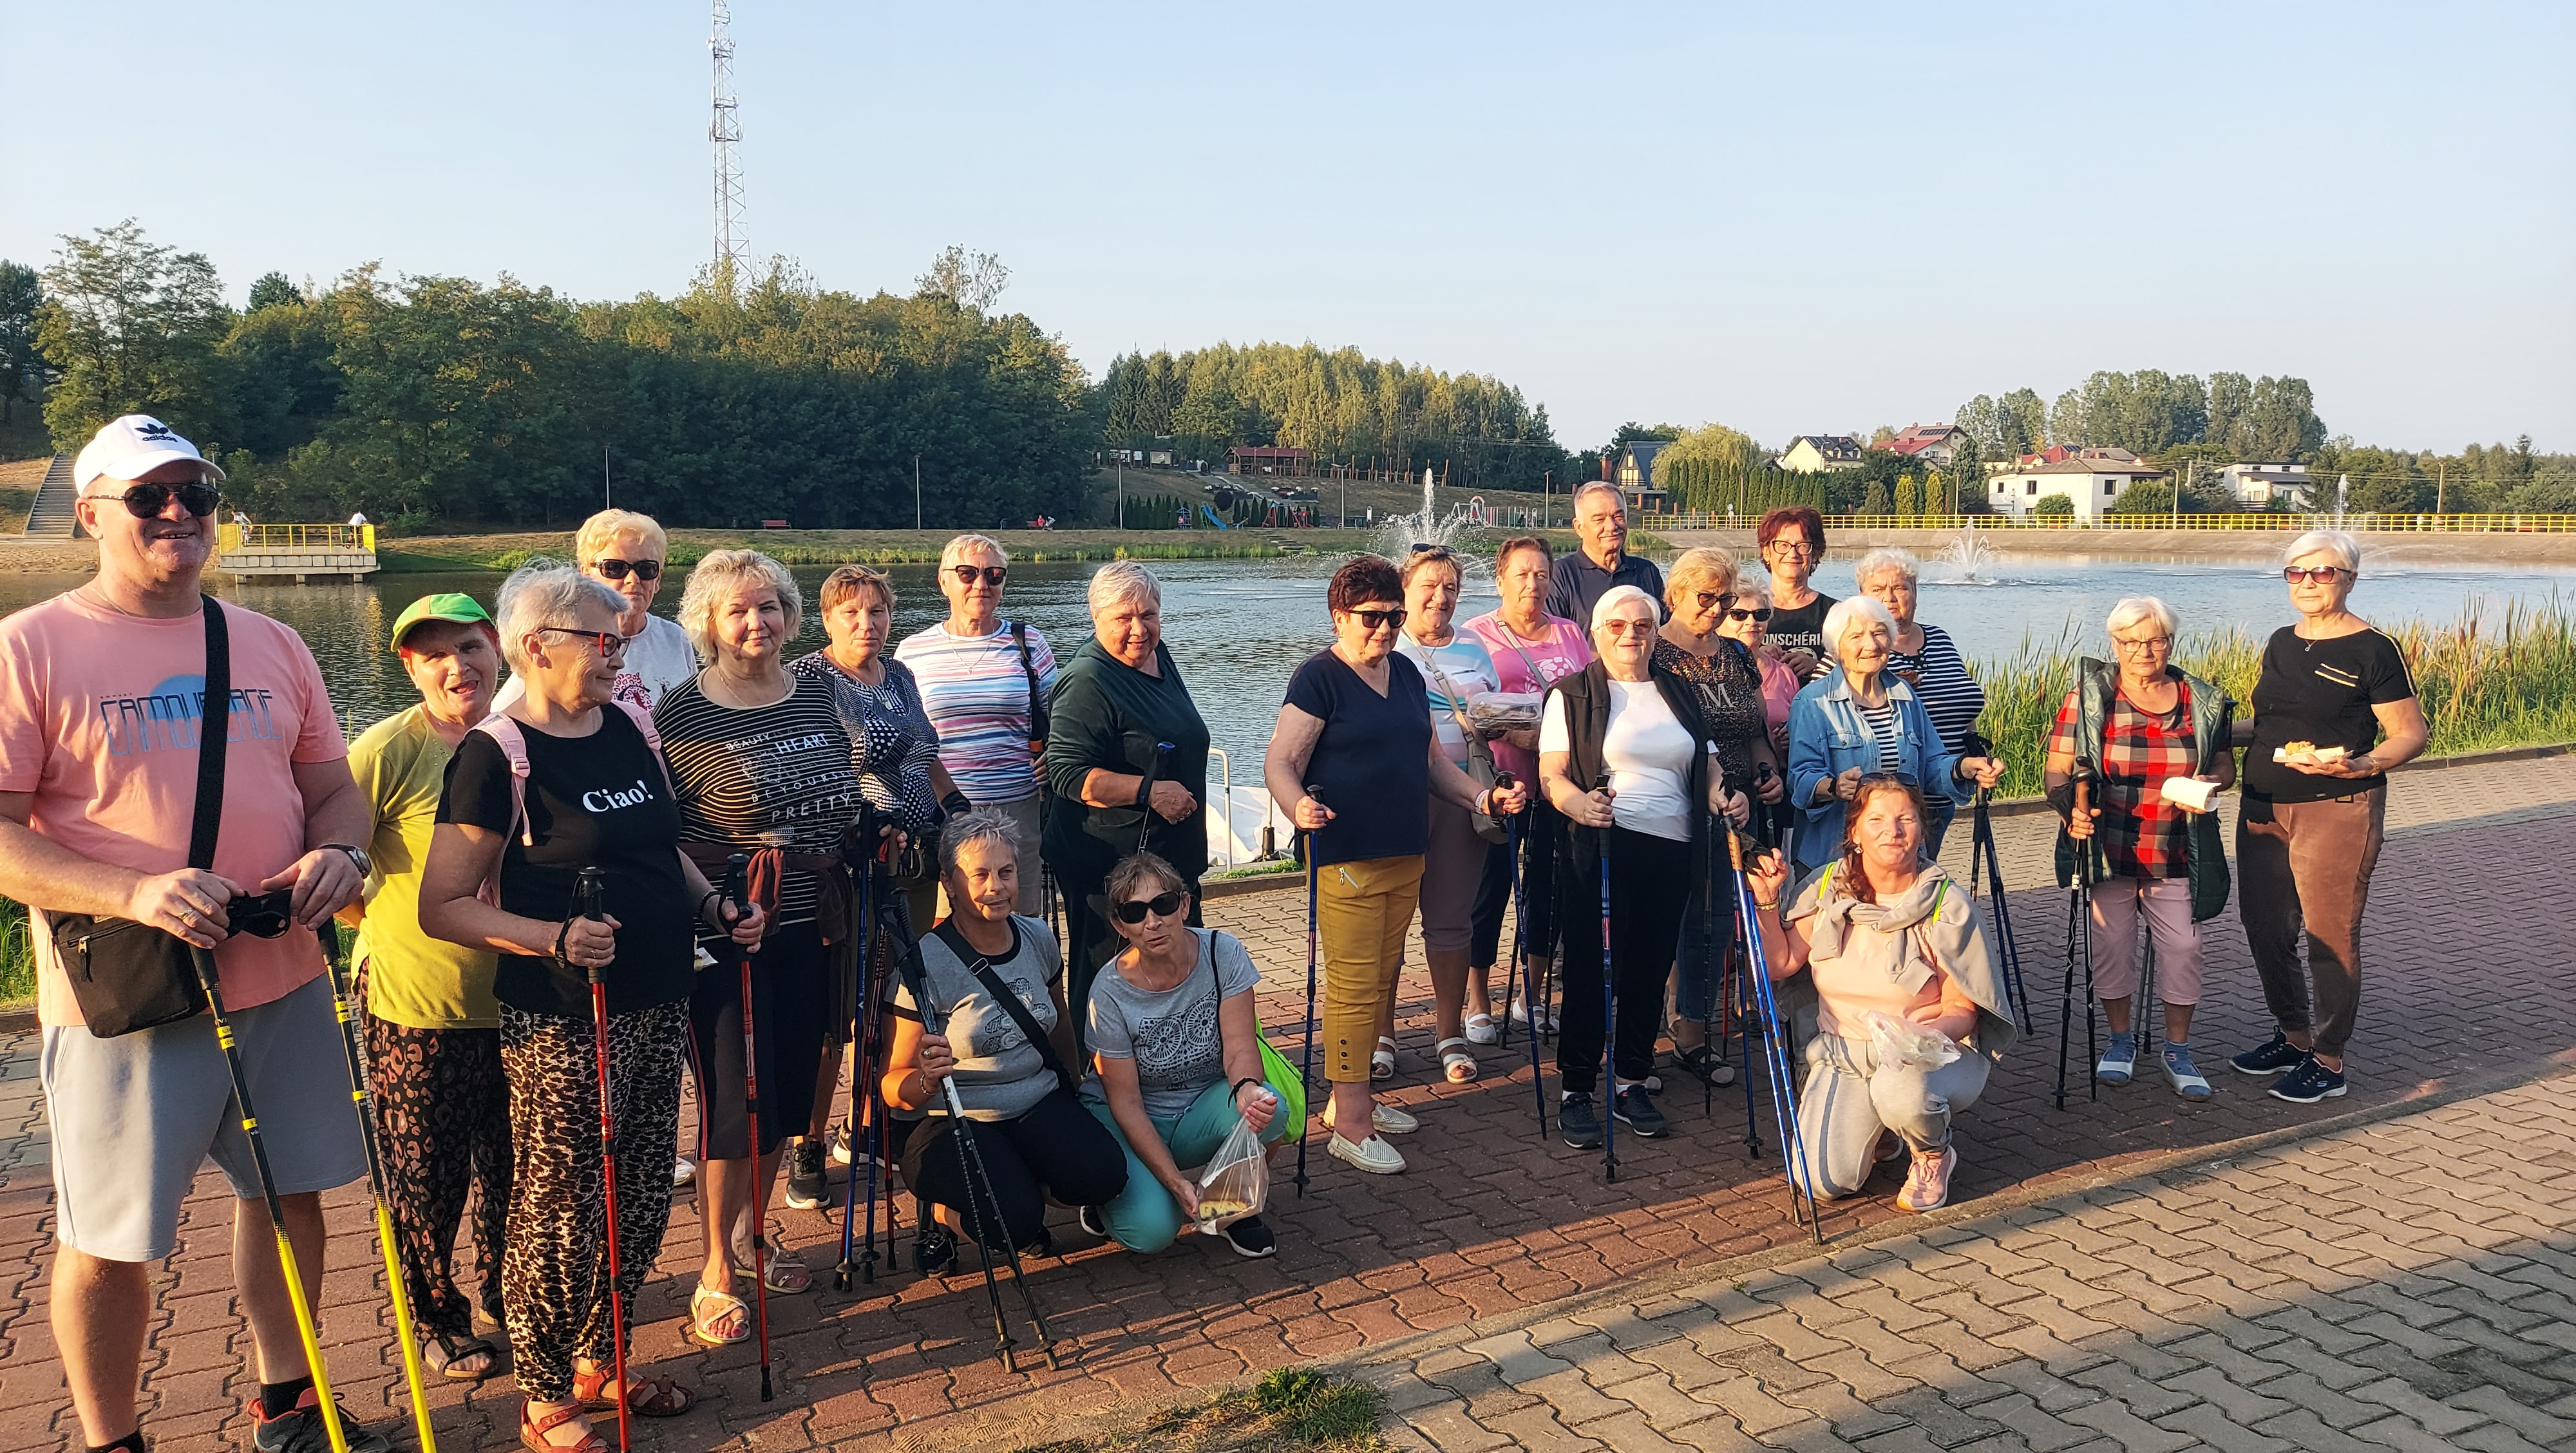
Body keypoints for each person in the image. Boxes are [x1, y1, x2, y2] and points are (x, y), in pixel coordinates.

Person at [0, 415, 382, 1453]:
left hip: (282, 971)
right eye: (148, 496)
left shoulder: (272, 641)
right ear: (91, 516)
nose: (178, 513)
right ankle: (112, 1439)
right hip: (129, 995)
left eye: (196, 493)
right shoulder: (30, 647)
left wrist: (342, 855)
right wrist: (132, 894)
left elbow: (335, 792)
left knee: (289, 1197)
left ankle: (288, 1403)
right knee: (110, 1240)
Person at [421, 559, 764, 1451]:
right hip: (565, 1015)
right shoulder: (494, 755)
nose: (619, 653)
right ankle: (542, 1395)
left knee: (641, 1190)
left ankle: (600, 1359)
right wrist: (554, 938)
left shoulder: (628, 724)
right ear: (537, 646)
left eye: (620, 639)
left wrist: (713, 908)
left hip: (658, 993)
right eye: (602, 640)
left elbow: (658, 849)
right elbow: (444, 905)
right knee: (565, 1201)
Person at [1265, 556, 1528, 1176]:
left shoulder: (1407, 673)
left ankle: (1349, 1099)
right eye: (1371, 617)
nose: (1384, 628)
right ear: (1339, 616)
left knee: (1383, 975)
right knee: (1354, 987)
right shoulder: (1319, 678)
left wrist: (1482, 799)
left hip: (1406, 851)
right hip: (1347, 855)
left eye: (1393, 616)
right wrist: (1297, 805)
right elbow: (1280, 761)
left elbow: (1433, 763)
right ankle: (1351, 1124)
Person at [656, 551, 856, 1335]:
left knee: (786, 1092)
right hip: (727, 932)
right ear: (708, 622)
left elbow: (847, 790)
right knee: (735, 1102)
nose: (755, 622)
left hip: (812, 923)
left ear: (790, 615)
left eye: (768, 606)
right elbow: (663, 834)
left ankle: (751, 1233)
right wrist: (715, 906)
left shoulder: (818, 693)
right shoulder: (681, 714)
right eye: (737, 610)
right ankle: (713, 1264)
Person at [342, 594, 511, 1383]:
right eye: (435, 655)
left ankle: (506, 1293)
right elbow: (338, 867)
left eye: (470, 647)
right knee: (426, 1179)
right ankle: (438, 1318)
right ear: (410, 668)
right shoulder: (384, 750)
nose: (457, 667)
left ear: (498, 649)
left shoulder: (521, 737)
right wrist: (384, 932)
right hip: (418, 1005)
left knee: (515, 1168)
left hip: (522, 999)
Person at [1740, 777, 2018, 1213]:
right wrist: (1766, 902)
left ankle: (1933, 1153)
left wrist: (1918, 1038)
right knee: (1821, 1184)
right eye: (1877, 820)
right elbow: (1779, 964)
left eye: (1906, 819)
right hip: (1844, 1052)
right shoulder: (1826, 887)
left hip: (1927, 1056)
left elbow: (1963, 1010)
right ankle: (1883, 1130)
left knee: (1900, 1091)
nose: (1893, 830)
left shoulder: (1947, 904)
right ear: (1854, 831)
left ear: (1922, 832)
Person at [1537, 585, 1748, 1148]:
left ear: (1656, 633)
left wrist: (1723, 796)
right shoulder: (1572, 694)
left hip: (1673, 846)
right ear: (1597, 632)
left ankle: (1630, 1080)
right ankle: (1577, 1088)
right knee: (1591, 969)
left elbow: (1707, 763)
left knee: (1649, 968)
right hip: (1604, 844)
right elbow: (1552, 773)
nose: (1631, 634)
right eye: (1618, 625)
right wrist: (1578, 804)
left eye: (1642, 625)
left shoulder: (1677, 689)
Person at [2229, 530, 2427, 1104]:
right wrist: (2199, 733)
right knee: (2267, 929)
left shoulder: (2374, 649)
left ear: (2349, 580)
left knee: (2329, 935)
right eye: (2297, 572)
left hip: (2337, 807)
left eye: (2323, 572)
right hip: (2263, 805)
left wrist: (2361, 764)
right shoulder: (2281, 642)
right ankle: (2294, 1037)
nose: (2309, 582)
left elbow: (2410, 734)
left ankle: (2329, 1059)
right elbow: (2269, 726)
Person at [880, 812, 1125, 1269]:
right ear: (950, 884)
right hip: (954, 1117)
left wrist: (1073, 1086)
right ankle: (943, 1214)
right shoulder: (923, 964)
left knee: (1105, 1176)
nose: (996, 886)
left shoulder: (1037, 936)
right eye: (980, 875)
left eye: (1006, 872)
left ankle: (1015, 1180)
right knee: (1015, 1222)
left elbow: (1058, 1020)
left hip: (1036, 1099)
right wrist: (927, 1080)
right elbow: (892, 1086)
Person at [787, 564, 960, 1192]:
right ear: (827, 618)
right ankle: (806, 1144)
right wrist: (866, 827)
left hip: (914, 865)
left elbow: (927, 757)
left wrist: (960, 814)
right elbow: (811, 773)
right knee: (836, 1009)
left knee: (894, 1000)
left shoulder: (901, 674)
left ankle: (864, 1123)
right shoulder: (808, 679)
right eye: (852, 612)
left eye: (878, 611)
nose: (868, 623)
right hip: (850, 868)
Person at [2043, 597, 2235, 1101]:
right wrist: (2068, 809)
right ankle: (2120, 1041)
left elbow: (2224, 764)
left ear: (2170, 642)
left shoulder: (2200, 700)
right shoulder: (2089, 698)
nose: (2143, 650)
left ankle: (2178, 1049)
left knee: (2184, 947)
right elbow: (2057, 768)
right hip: (2108, 846)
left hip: (2177, 846)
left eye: (2154, 640)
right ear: (2114, 644)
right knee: (2112, 946)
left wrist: (2210, 783)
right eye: (2130, 641)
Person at [1082, 850, 1294, 1259]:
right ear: (1120, 926)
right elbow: (1125, 1102)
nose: (1152, 921)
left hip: (1200, 1103)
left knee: (1270, 1108)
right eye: (1135, 912)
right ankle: (1107, 1197)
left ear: (1184, 905)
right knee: (1151, 1233)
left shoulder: (1223, 952)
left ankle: (1230, 1210)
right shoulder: (1107, 992)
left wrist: (1247, 1089)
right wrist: (1175, 1181)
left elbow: (1240, 1046)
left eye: (1162, 904)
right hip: (1131, 1114)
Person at [1044, 560, 1213, 1038]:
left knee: (1180, 972)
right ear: (1097, 618)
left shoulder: (1157, 656)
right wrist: (1149, 791)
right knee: (1110, 982)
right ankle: (1098, 1074)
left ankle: (1174, 1065)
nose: (1139, 630)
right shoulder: (1088, 679)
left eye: (1149, 615)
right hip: (1110, 867)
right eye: (1124, 618)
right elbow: (1068, 774)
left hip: (1169, 859)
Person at [1651, 549, 1783, 1085]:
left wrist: (1767, 770)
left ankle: (1695, 1028)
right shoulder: (1653, 652)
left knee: (1716, 921)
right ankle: (1661, 1032)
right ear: (1675, 594)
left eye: (1725, 600)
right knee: (1672, 916)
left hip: (1738, 805)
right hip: (1676, 801)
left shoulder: (1736, 655)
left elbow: (1754, 729)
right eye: (1705, 598)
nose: (1716, 609)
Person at [1462, 535, 1592, 1037]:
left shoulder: (1569, 634)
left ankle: (1531, 995)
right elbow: (1467, 710)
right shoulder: (1477, 635)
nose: (1532, 585)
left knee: (1547, 891)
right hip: (1501, 783)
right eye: (1521, 574)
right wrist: (1517, 733)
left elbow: (1588, 697)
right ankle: (1477, 998)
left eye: (1541, 574)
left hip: (1558, 785)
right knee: (1489, 890)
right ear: (1500, 580)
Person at [1391, 544, 1505, 1085]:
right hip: (1396, 798)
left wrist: (1499, 721)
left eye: (1451, 588)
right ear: (1404, 591)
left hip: (1462, 796)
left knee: (1452, 918)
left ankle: (1448, 1031)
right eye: (1429, 587)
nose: (1441, 598)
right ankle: (1381, 1033)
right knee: (1388, 922)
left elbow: (1493, 710)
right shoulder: (1385, 643)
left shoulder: (1475, 646)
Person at [895, 534, 1057, 915]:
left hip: (1018, 808)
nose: (981, 584)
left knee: (1020, 920)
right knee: (944, 924)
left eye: (994, 575)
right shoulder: (913, 651)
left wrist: (1055, 756)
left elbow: (1062, 719)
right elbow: (904, 737)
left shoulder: (1029, 642)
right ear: (944, 582)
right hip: (943, 812)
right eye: (967, 573)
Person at [1787, 596, 2001, 876]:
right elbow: (1800, 778)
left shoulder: (1905, 695)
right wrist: (1835, 787)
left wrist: (1964, 767)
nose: (1871, 645)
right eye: (1856, 636)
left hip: (1899, 853)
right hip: (1834, 856)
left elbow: (1930, 764)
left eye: (1879, 633)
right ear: (1837, 648)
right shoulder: (1812, 701)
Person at [495, 508, 697, 716]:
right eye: (615, 568)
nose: (633, 579)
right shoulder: (565, 642)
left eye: (646, 569)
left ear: (658, 579)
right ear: (586, 576)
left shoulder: (675, 639)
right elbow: (503, 714)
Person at [1857, 549, 1987, 857]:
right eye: (1878, 589)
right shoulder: (1858, 651)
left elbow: (1961, 697)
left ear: (1915, 593)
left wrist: (1972, 745)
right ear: (1862, 597)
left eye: (1900, 588)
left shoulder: (1939, 638)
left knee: (1925, 873)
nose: (1890, 598)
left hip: (1946, 789)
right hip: (1894, 800)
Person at [1718, 578, 1801, 844]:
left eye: (1761, 615)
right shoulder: (1708, 670)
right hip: (1725, 792)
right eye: (1739, 615)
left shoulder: (1785, 673)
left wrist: (1793, 737)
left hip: (1773, 790)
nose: (1752, 622)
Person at [1546, 481, 1665, 626]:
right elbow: (1554, 637)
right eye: (1599, 519)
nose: (1611, 526)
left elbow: (1665, 630)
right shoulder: (1559, 576)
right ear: (1579, 528)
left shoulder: (1647, 572)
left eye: (1618, 517)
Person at [1757, 506, 1836, 682]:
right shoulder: (1742, 613)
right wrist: (1757, 658)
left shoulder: (1836, 613)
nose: (1792, 554)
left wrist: (1818, 667)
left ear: (1815, 554)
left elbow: (1854, 671)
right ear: (1766, 552)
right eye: (1782, 545)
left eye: (1802, 546)